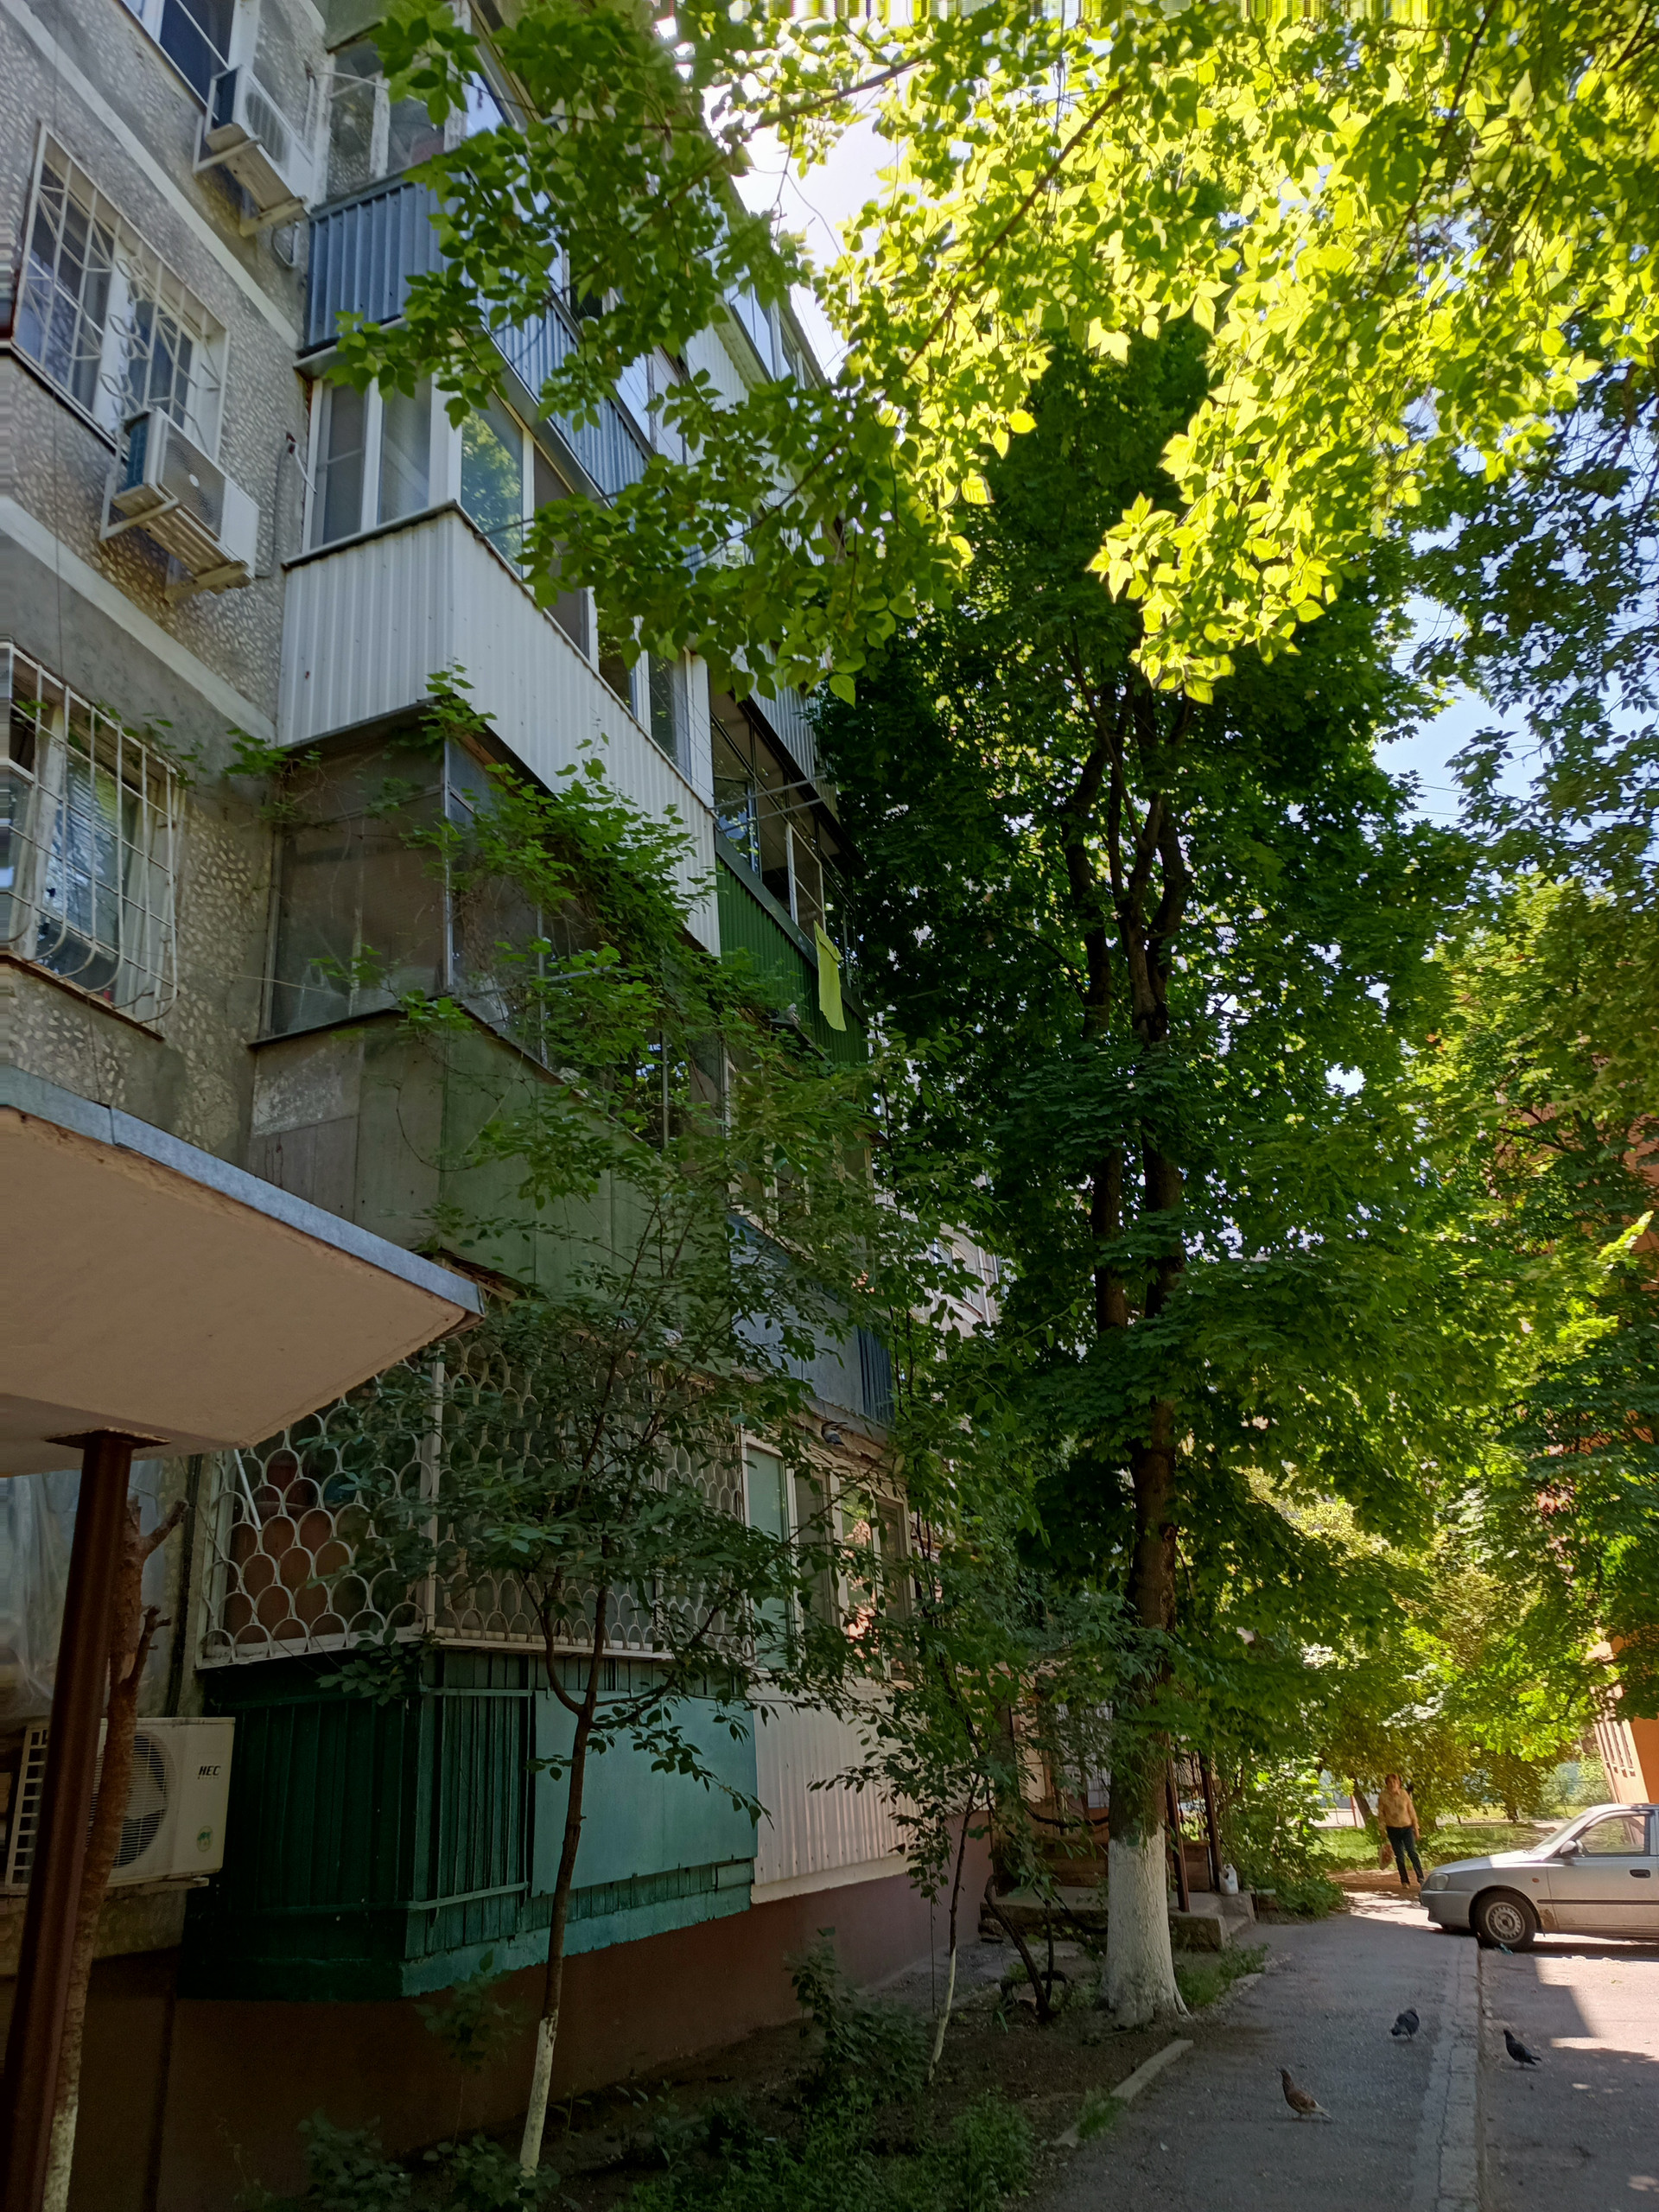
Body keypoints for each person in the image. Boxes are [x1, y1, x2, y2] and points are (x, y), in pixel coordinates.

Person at [1376, 1772, 1425, 1886]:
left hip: (1407, 1828)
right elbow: (1381, 1814)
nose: (1392, 1784)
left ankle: (1421, 1878)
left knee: (1412, 1852)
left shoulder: (1404, 1794)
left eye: (1395, 1782)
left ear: (1399, 1783)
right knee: (1399, 1856)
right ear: (1386, 1784)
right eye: (1390, 1782)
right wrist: (1382, 1829)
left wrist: (1416, 1828)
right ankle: (1404, 1881)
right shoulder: (1383, 1796)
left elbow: (1411, 1811)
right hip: (1392, 1829)